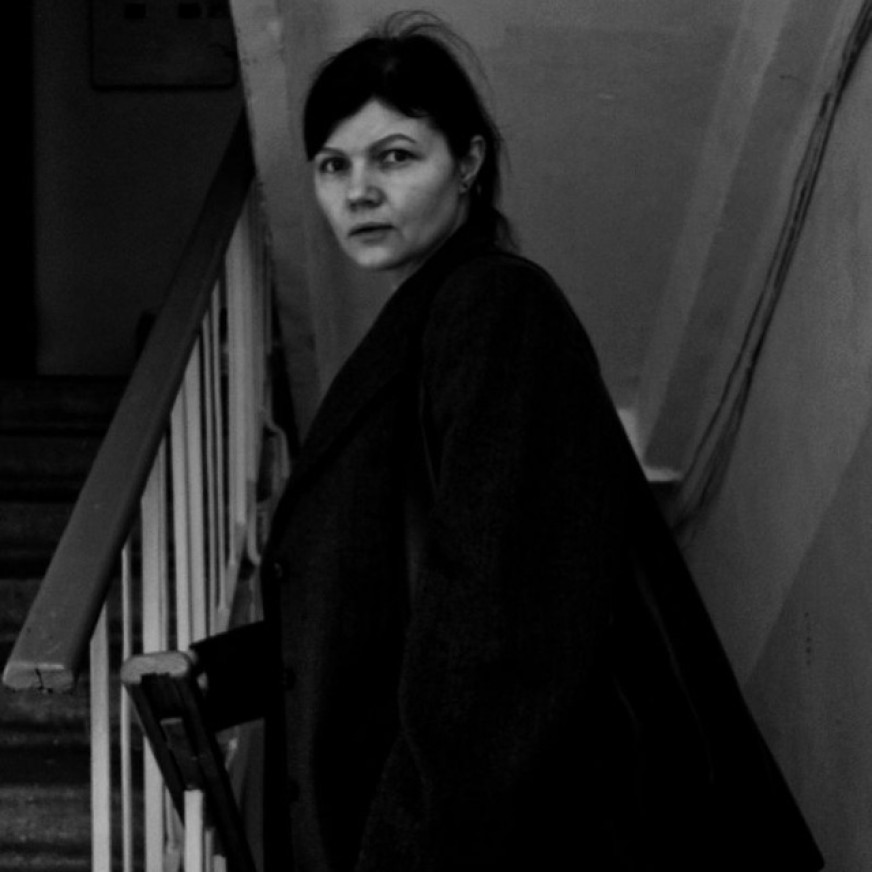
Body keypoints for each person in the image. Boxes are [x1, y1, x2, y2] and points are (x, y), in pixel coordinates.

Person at [190, 12, 824, 872]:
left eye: (394, 157)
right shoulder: (417, 335)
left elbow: (497, 613)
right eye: (333, 165)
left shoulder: (493, 308)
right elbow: (379, 617)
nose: (357, 191)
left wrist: (410, 853)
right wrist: (213, 673)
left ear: (469, 164)